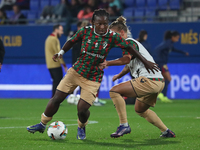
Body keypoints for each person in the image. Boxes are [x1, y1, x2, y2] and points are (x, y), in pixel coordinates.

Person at [26, 9, 158, 140]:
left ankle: (81, 126)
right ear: (93, 22)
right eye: (99, 24)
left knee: (82, 109)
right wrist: (61, 53)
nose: (102, 27)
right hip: (76, 71)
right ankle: (42, 124)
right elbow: (72, 41)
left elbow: (130, 49)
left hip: (93, 78)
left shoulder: (112, 37)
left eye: (105, 24)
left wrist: (145, 62)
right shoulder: (85, 31)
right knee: (56, 98)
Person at [98, 16, 176, 138]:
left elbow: (126, 59)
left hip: (149, 80)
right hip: (159, 81)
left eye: (114, 34)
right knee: (140, 110)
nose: (112, 38)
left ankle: (124, 125)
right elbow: (129, 65)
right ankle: (166, 131)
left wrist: (107, 62)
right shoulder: (132, 45)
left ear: (122, 32)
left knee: (114, 91)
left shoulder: (128, 42)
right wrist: (119, 75)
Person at [153, 30, 189, 103]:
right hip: (162, 63)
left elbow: (174, 49)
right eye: (177, 38)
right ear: (173, 37)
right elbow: (157, 49)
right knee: (168, 79)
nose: (177, 40)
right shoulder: (167, 43)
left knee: (164, 79)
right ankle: (162, 95)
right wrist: (158, 59)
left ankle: (162, 95)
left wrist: (183, 52)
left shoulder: (170, 44)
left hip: (162, 63)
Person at [44, 24, 67, 97]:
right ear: (56, 30)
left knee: (56, 81)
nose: (62, 32)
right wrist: (64, 65)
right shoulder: (54, 39)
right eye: (61, 30)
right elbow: (58, 52)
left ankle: (54, 98)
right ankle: (54, 98)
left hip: (50, 64)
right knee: (58, 81)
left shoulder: (49, 38)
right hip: (55, 64)